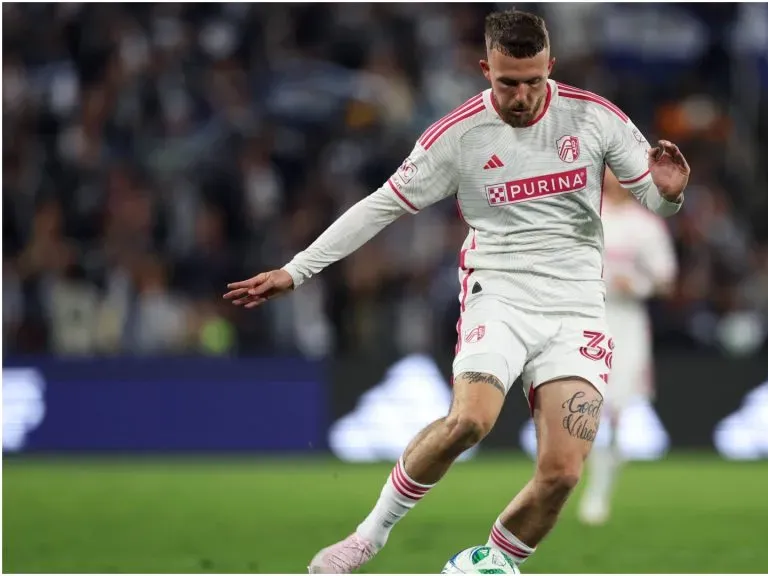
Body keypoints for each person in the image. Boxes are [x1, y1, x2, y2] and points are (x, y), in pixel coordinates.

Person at [223, 10, 690, 574]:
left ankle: (488, 563)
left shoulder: (594, 119)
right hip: (499, 296)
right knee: (470, 421)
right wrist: (297, 270)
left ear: (551, 68)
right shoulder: (458, 136)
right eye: (506, 82)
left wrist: (670, 194)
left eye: (533, 81)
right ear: (484, 68)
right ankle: (367, 538)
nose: (520, 96)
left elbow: (654, 200)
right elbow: (381, 206)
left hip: (577, 308)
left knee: (563, 473)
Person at [577, 168, 679, 526]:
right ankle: (590, 480)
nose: (611, 180)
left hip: (627, 322)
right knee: (583, 405)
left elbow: (666, 280)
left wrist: (635, 283)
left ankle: (600, 489)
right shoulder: (582, 216)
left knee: (616, 409)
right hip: (584, 319)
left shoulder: (645, 225)